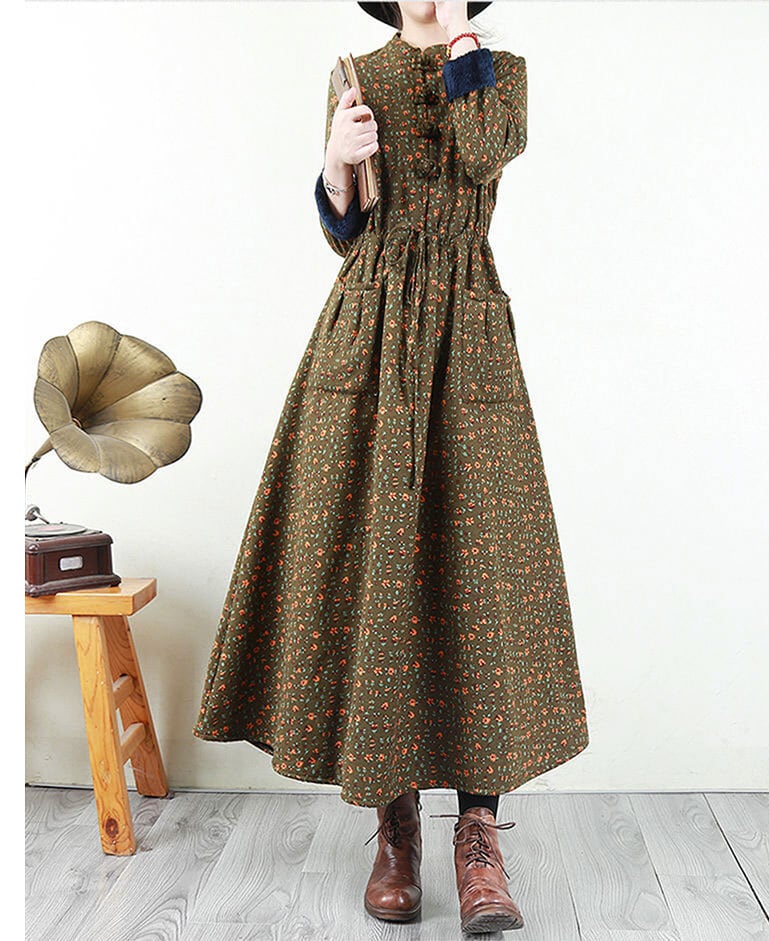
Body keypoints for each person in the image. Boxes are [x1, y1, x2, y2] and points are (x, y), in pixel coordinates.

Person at [193, 1, 590, 934]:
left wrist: (458, 39)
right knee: (375, 572)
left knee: (478, 576)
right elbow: (346, 233)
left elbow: (485, 151)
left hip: (467, 337)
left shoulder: (499, 71)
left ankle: (478, 838)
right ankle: (395, 827)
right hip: (365, 335)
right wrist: (335, 164)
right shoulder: (353, 74)